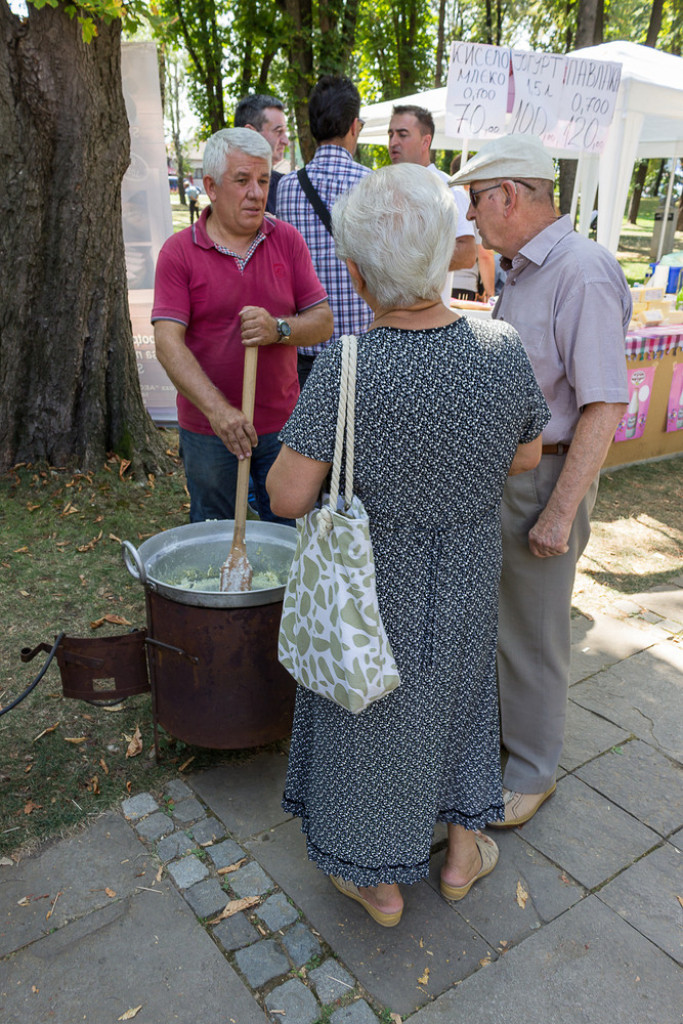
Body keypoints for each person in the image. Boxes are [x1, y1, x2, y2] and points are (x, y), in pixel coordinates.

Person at [266, 164, 550, 926]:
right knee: (460, 703)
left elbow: (287, 497)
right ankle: (460, 858)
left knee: (366, 715)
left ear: (356, 276)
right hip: (463, 570)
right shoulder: (500, 347)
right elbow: (525, 455)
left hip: (371, 583)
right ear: (444, 258)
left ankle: (379, 886)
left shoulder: (348, 369)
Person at [451, 135, 630, 827]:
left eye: (474, 200)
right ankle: (511, 743)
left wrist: (558, 513)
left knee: (532, 633)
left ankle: (531, 771)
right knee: (504, 625)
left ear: (508, 196)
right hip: (512, 472)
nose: (470, 217)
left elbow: (603, 403)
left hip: (545, 479)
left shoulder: (579, 271)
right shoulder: (525, 269)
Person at [152, 128, 333, 525]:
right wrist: (219, 412)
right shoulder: (179, 252)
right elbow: (167, 343)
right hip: (208, 428)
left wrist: (279, 330)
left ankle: (286, 593)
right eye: (242, 180)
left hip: (282, 428)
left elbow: (323, 323)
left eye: (263, 180)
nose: (256, 192)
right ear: (211, 187)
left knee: (289, 535)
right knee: (213, 535)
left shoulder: (287, 240)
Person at [277, 75, 373, 388]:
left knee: (308, 437)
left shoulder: (288, 187)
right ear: (354, 126)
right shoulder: (374, 185)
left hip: (303, 350)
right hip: (361, 350)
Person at [387, 105, 475, 305]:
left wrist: (406, 263)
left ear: (425, 141)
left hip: (427, 324)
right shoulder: (381, 188)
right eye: (390, 134)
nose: (393, 142)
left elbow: (467, 254)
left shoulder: (448, 189)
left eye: (403, 135)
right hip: (383, 318)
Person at [449, 154, 495, 302]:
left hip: (438, 284)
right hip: (463, 286)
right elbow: (485, 254)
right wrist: (490, 294)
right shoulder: (473, 205)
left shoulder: (442, 199)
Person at [234, 94, 290, 215]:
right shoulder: (225, 188)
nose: (286, 141)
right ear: (250, 133)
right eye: (278, 131)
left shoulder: (286, 187)